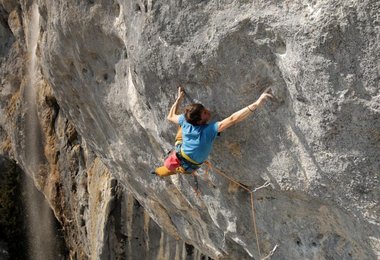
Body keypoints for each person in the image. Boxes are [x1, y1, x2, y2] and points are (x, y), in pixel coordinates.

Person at [153, 87, 273, 176]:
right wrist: (257, 103)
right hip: (189, 165)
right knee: (176, 168)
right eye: (205, 113)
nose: (208, 111)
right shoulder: (207, 131)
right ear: (199, 121)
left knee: (181, 128)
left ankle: (160, 171)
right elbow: (233, 119)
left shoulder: (186, 120)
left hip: (181, 150)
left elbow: (170, 116)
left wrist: (178, 99)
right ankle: (159, 172)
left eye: (205, 109)